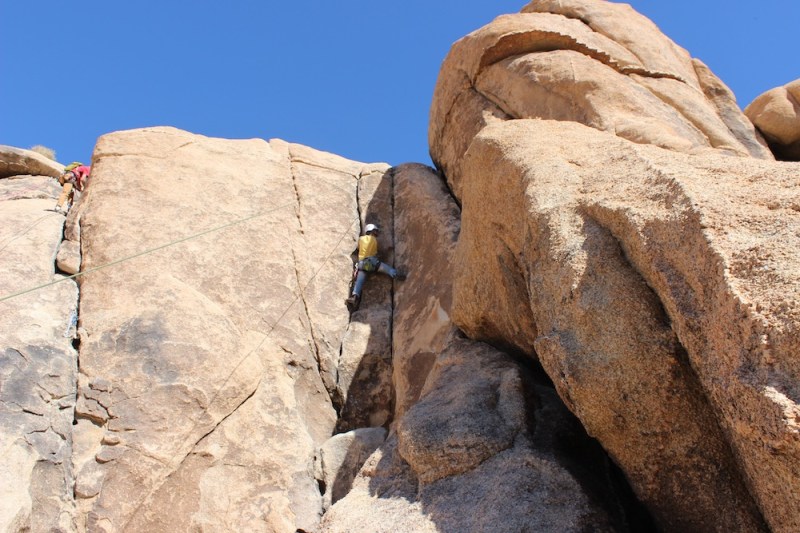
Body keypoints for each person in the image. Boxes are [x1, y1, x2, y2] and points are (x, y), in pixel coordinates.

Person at [345, 223, 405, 310]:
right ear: (372, 231)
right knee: (386, 269)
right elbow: (377, 251)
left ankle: (354, 296)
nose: (376, 233)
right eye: (375, 231)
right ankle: (395, 274)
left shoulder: (361, 239)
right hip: (372, 262)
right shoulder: (374, 240)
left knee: (359, 281)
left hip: (362, 264)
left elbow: (358, 248)